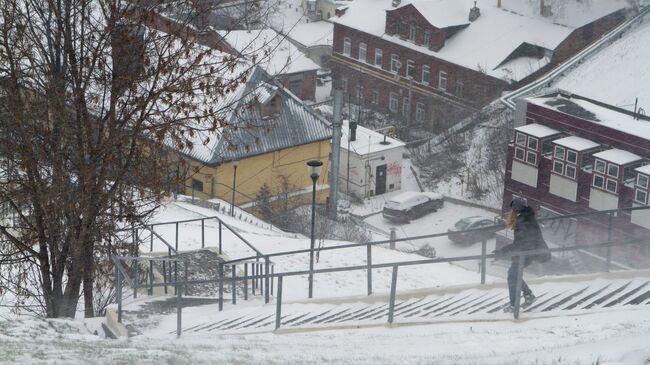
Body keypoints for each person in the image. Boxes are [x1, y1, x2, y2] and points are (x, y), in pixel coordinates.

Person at [495, 197, 551, 313]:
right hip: (528, 251)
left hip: (528, 252)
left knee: (512, 275)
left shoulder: (523, 221)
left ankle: (514, 305)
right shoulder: (526, 217)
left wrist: (503, 250)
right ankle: (528, 295)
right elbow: (521, 242)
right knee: (514, 274)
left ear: (517, 209)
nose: (511, 213)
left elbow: (521, 243)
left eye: (513, 210)